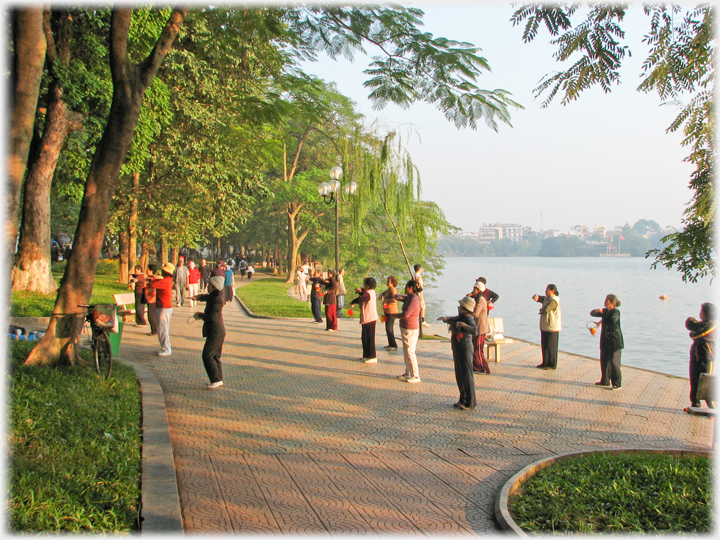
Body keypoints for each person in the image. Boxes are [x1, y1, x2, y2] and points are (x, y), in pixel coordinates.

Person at [438, 296, 478, 410]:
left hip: (465, 347)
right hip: (458, 347)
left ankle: (470, 401)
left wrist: (463, 325)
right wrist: (446, 319)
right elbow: (454, 318)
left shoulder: (469, 318)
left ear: (465, 308)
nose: (459, 308)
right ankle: (463, 398)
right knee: (460, 374)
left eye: (461, 306)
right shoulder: (462, 316)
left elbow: (475, 330)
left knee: (466, 375)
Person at [191, 275, 227, 389]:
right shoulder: (215, 295)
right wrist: (198, 297)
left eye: (209, 285)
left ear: (214, 286)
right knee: (215, 356)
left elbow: (212, 316)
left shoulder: (217, 300)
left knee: (207, 355)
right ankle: (218, 379)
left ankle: (215, 379)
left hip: (216, 331)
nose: (208, 287)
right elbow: (207, 297)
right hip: (217, 330)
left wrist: (199, 315)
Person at [685, 302, 716, 411]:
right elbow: (690, 324)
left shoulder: (714, 324)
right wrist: (692, 323)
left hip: (706, 356)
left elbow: (700, 335)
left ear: (707, 313)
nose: (699, 313)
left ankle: (712, 405)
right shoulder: (702, 323)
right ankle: (695, 403)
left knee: (706, 379)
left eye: (701, 311)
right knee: (694, 378)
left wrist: (693, 334)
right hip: (695, 355)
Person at [590, 294, 624, 389]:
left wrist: (602, 320)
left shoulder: (616, 312)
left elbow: (612, 320)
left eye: (606, 300)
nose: (604, 301)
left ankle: (617, 383)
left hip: (615, 341)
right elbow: (592, 313)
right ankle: (605, 380)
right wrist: (597, 311)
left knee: (614, 362)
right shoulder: (604, 311)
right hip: (605, 340)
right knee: (604, 361)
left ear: (609, 301)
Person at [395, 279, 421, 382]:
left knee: (410, 351)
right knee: (406, 351)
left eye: (406, 287)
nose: (405, 288)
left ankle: (416, 375)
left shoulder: (414, 299)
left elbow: (406, 314)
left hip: (411, 329)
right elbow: (405, 298)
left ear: (410, 288)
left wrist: (394, 316)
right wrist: (398, 296)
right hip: (405, 327)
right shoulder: (410, 297)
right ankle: (408, 373)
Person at [532, 284, 561, 370]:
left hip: (552, 327)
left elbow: (547, 308)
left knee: (551, 346)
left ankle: (552, 365)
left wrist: (542, 310)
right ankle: (545, 363)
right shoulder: (547, 298)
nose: (545, 291)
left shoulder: (554, 300)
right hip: (545, 326)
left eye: (547, 290)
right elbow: (541, 298)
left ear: (552, 291)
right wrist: (536, 297)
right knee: (545, 345)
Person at [350, 277, 378, 363]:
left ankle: (372, 356)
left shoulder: (369, 294)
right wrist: (360, 291)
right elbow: (363, 293)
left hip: (370, 318)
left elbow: (362, 298)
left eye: (364, 283)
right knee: (365, 337)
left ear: (368, 285)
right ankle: (366, 355)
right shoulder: (370, 292)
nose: (363, 285)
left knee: (370, 338)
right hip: (368, 318)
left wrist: (353, 301)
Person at [148, 262, 175, 356]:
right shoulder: (168, 280)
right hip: (163, 306)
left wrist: (153, 279)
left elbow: (152, 285)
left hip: (164, 307)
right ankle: (164, 347)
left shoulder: (165, 281)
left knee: (163, 329)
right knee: (162, 329)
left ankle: (167, 349)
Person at [468, 281, 490, 374]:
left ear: (478, 290)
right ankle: (476, 366)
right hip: (477, 327)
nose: (473, 291)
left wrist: (468, 311)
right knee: (475, 348)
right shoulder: (478, 298)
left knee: (478, 349)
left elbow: (476, 313)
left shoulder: (481, 299)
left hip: (481, 328)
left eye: (474, 289)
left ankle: (483, 368)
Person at [380, 276, 399, 350]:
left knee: (389, 328)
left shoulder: (393, 290)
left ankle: (393, 345)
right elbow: (384, 293)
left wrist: (386, 300)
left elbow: (394, 300)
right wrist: (381, 295)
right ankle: (390, 343)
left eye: (389, 281)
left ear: (392, 283)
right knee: (387, 328)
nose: (387, 283)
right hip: (387, 311)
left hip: (392, 311)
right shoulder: (389, 289)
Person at [144, 264, 158, 336]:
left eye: (148, 269)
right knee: (152, 315)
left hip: (152, 299)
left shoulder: (151, 279)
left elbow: (151, 289)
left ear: (151, 271)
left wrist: (145, 288)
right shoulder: (150, 278)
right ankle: (154, 330)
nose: (146, 270)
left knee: (151, 315)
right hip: (150, 298)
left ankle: (154, 330)